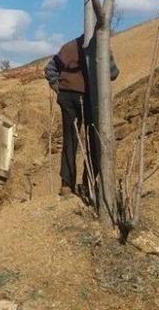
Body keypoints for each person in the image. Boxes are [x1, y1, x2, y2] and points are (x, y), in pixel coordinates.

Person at [43, 34, 119, 197]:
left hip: (67, 96)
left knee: (70, 140)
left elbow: (50, 69)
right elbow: (113, 74)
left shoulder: (69, 46)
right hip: (89, 97)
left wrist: (58, 86)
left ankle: (66, 186)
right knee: (94, 139)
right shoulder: (101, 47)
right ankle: (88, 183)